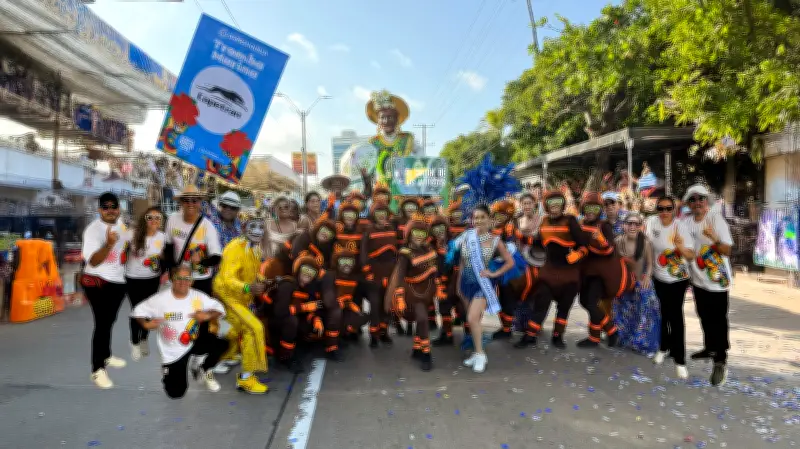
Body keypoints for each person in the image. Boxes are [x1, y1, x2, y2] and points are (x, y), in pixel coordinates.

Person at [131, 264, 228, 399]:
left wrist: (207, 316)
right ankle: (167, 372)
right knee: (176, 393)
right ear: (172, 279)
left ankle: (202, 368)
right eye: (179, 278)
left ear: (191, 281)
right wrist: (146, 325)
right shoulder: (160, 300)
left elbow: (220, 309)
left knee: (223, 344)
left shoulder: (198, 296)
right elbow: (137, 311)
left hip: (194, 341)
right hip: (174, 352)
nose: (183, 282)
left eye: (187, 278)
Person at [516, 190, 589, 350]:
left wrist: (578, 254)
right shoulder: (544, 222)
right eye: (551, 202)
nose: (554, 205)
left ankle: (558, 336)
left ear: (563, 204)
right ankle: (530, 336)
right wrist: (519, 235)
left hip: (569, 275)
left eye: (558, 201)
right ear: (546, 205)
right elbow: (537, 242)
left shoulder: (570, 220)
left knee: (564, 307)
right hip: (548, 272)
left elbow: (584, 244)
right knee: (541, 304)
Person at [451, 206, 515, 373]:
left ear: (489, 219)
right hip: (466, 283)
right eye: (475, 217)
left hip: (482, 284)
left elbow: (510, 262)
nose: (478, 220)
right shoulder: (466, 236)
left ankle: (480, 354)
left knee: (472, 318)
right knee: (474, 320)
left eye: (482, 217)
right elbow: (462, 262)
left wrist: (494, 273)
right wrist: (458, 285)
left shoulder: (495, 240)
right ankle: (476, 352)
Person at [212, 210, 269, 394]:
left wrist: (264, 280)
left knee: (237, 328)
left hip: (240, 297)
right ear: (244, 228)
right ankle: (246, 378)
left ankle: (221, 356)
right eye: (253, 226)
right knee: (253, 328)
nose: (258, 231)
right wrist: (247, 288)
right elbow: (228, 278)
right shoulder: (235, 247)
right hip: (228, 296)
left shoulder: (255, 248)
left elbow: (253, 272)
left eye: (261, 227)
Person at [682, 184, 734, 386]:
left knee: (718, 319)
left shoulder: (715, 219)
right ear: (688, 204)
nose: (697, 203)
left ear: (707, 201)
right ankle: (709, 347)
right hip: (698, 278)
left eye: (700, 198)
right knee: (703, 314)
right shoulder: (686, 223)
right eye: (693, 199)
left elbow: (727, 250)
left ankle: (720, 360)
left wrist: (713, 238)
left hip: (717, 280)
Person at [81, 192, 130, 389]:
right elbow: (93, 261)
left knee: (109, 320)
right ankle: (97, 368)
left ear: (119, 209)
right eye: (106, 207)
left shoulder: (122, 226)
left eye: (113, 207)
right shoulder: (93, 231)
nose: (110, 210)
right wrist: (108, 244)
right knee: (102, 323)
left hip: (118, 281)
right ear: (100, 210)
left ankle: (106, 355)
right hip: (97, 281)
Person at [385, 214, 446, 371]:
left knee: (422, 319)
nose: (419, 236)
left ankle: (417, 349)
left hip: (427, 293)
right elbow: (399, 277)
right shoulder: (405, 253)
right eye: (415, 232)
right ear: (409, 234)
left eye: (422, 232)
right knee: (423, 318)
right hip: (412, 294)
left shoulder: (430, 249)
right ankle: (426, 353)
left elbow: (435, 271)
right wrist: (399, 298)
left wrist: (438, 287)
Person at [646, 196, 695, 380]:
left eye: (668, 208)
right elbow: (649, 247)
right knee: (663, 313)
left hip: (678, 279)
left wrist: (680, 246)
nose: (664, 212)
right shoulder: (652, 223)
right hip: (659, 277)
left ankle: (680, 360)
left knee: (675, 316)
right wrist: (649, 270)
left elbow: (691, 256)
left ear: (674, 210)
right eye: (661, 208)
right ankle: (663, 347)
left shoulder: (681, 227)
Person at [575, 193, 630, 348]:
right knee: (584, 301)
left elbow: (610, 250)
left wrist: (602, 240)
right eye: (588, 208)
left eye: (595, 208)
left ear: (599, 210)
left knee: (592, 303)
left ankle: (604, 334)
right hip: (585, 272)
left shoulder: (604, 225)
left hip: (600, 274)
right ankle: (605, 332)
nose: (591, 211)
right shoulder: (581, 224)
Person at [613, 213, 661, 355]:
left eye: (636, 224)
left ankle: (643, 341)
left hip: (640, 282)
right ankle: (623, 337)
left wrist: (647, 278)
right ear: (624, 225)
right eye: (630, 223)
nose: (632, 227)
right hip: (624, 283)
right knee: (617, 300)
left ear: (641, 227)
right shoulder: (618, 241)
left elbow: (650, 264)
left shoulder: (645, 243)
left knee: (648, 299)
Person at [164, 186, 222, 296]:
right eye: (186, 200)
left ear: (200, 203)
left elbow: (216, 258)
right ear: (181, 202)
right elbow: (168, 247)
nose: (190, 203)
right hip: (180, 278)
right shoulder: (172, 219)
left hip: (200, 279)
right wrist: (171, 268)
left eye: (194, 200)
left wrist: (201, 261)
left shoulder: (208, 226)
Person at [125, 206, 166, 361]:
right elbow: (118, 249)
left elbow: (168, 257)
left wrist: (162, 260)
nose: (154, 221)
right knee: (137, 311)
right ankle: (134, 342)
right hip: (133, 278)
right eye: (150, 217)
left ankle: (144, 339)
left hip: (152, 279)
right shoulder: (132, 234)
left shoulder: (163, 237)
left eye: (157, 218)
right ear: (144, 219)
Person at [360, 201, 396, 346]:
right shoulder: (369, 230)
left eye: (384, 213)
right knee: (375, 305)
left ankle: (384, 332)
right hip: (374, 273)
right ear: (373, 215)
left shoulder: (391, 228)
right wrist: (367, 271)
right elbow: (363, 253)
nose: (381, 215)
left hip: (390, 273)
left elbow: (395, 251)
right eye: (378, 213)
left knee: (387, 304)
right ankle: (373, 335)